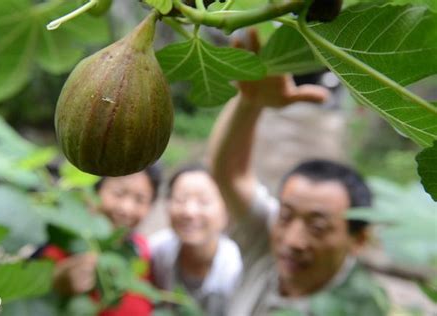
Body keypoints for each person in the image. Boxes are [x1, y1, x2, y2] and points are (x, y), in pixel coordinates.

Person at [207, 30, 388, 316]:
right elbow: (228, 173)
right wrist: (250, 103)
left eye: (318, 227)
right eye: (286, 215)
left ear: (359, 239)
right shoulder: (266, 242)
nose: (293, 241)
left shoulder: (361, 307)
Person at [38, 164, 162, 316]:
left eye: (140, 199)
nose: (126, 208)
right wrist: (56, 283)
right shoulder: (64, 244)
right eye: (118, 193)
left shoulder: (143, 250)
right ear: (94, 194)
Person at [149, 164, 243, 316]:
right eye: (180, 200)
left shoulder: (236, 270)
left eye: (204, 201)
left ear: (227, 209)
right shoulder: (156, 250)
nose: (189, 211)